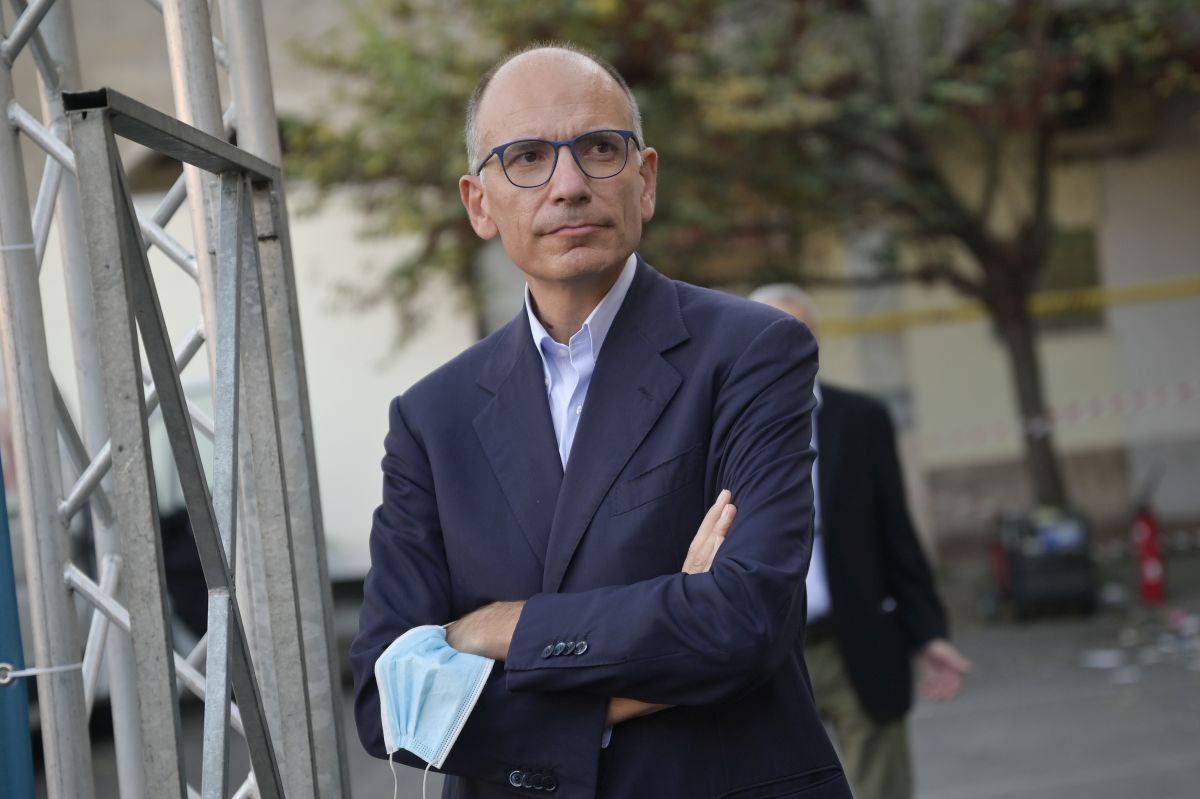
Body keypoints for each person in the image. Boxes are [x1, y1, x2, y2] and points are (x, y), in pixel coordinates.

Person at [350, 44, 852, 798]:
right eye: (526, 157)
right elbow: (386, 699)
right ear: (479, 203)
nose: (569, 185)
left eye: (599, 149)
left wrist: (488, 629)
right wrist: (663, 634)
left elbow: (745, 619)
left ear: (644, 180)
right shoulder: (432, 417)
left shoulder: (751, 352)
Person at [750, 284, 972, 799]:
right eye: (767, 336)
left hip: (857, 642)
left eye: (798, 334)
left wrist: (929, 633)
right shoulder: (721, 427)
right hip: (770, 657)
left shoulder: (860, 419)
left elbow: (894, 531)